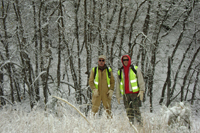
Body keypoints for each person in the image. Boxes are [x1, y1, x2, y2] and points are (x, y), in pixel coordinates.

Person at [116, 55, 145, 125]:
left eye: (127, 60)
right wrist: (118, 95)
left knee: (136, 110)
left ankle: (140, 126)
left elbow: (141, 80)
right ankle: (132, 126)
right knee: (129, 111)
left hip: (134, 94)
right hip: (126, 95)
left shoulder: (135, 69)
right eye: (124, 60)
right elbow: (118, 84)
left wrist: (142, 91)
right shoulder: (120, 71)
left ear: (129, 60)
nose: (125, 61)